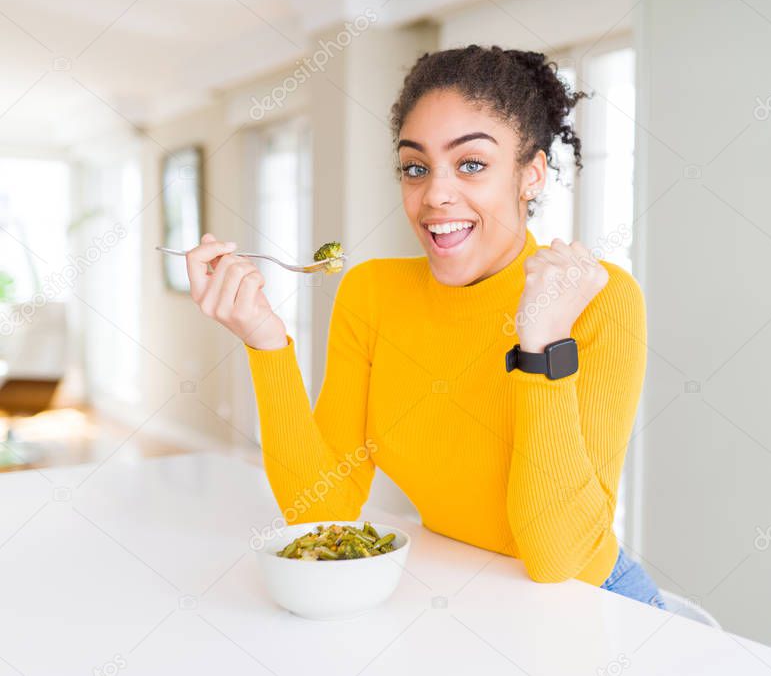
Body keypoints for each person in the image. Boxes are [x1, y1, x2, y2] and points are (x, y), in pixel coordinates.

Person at [184, 44, 665, 609]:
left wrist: (541, 347)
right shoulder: (372, 293)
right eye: (416, 167)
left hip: (595, 604)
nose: (435, 194)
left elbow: (557, 558)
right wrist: (265, 343)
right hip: (460, 589)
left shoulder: (600, 300)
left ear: (530, 174)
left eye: (471, 164)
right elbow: (322, 511)